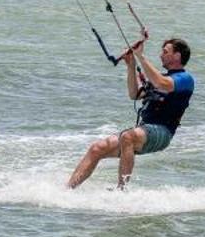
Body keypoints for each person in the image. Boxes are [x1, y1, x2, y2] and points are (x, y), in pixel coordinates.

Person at [66, 36, 195, 190]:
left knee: (128, 136)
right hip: (144, 130)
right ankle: (68, 190)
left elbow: (162, 84)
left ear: (177, 56)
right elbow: (134, 94)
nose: (161, 55)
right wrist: (131, 65)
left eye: (165, 52)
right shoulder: (161, 77)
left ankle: (121, 190)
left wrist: (140, 55)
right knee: (97, 148)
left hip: (163, 132)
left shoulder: (185, 79)